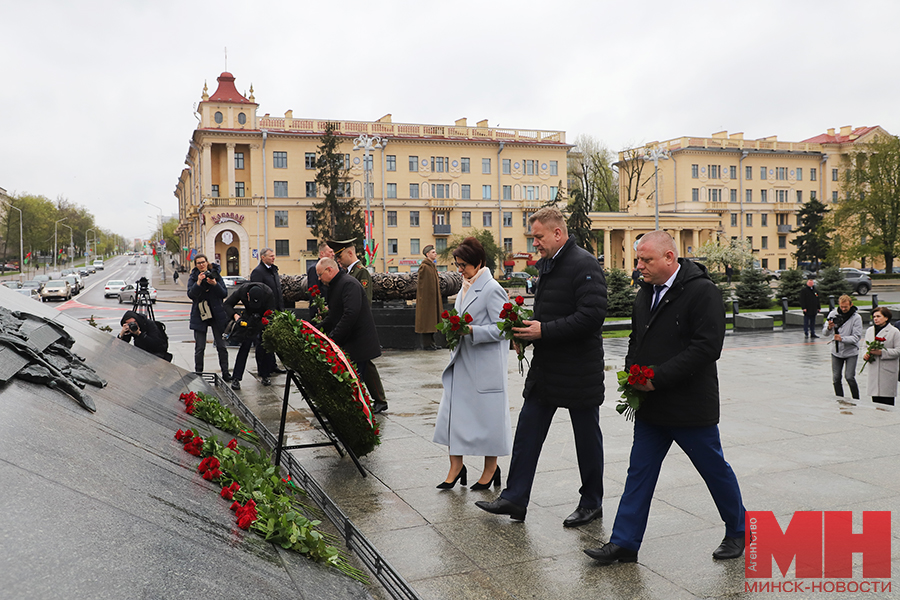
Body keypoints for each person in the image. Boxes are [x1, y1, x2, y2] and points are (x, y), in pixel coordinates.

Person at [584, 230, 746, 566]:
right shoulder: (646, 292)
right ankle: (624, 542)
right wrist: (632, 373)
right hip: (650, 406)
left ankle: (739, 530)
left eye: (646, 260)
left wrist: (658, 379)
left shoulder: (703, 292)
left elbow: (706, 348)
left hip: (689, 406)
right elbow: (636, 338)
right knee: (638, 473)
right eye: (638, 259)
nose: (639, 266)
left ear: (669, 258)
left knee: (714, 470)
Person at [475, 207, 607, 527]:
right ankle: (515, 498)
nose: (534, 243)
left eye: (538, 237)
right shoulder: (548, 264)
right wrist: (527, 334)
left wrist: (542, 331)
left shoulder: (584, 264)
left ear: (557, 234)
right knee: (528, 431)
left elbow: (592, 317)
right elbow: (549, 314)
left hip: (579, 370)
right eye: (534, 237)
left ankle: (592, 503)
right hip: (547, 368)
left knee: (586, 440)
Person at [433, 237, 511, 490]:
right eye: (457, 264)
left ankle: (491, 469)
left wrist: (472, 331)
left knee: (489, 420)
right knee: (452, 415)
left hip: (484, 365)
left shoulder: (492, 288)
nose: (460, 270)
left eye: (464, 265)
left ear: (479, 263)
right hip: (463, 362)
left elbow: (504, 328)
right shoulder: (466, 285)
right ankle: (456, 466)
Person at [328, 238, 388, 413]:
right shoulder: (349, 272)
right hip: (352, 328)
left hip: (359, 328)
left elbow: (364, 302)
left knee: (364, 365)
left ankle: (378, 400)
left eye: (340, 256)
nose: (338, 260)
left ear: (349, 252)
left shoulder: (361, 273)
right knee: (364, 365)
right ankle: (376, 399)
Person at [316, 258, 383, 405]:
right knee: (359, 374)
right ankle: (372, 403)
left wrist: (332, 338)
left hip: (358, 339)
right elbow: (334, 315)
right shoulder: (336, 285)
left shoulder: (348, 284)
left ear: (329, 270)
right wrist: (317, 330)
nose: (319, 279)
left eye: (320, 274)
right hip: (351, 339)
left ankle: (360, 408)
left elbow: (350, 314)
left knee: (355, 377)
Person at [224, 282, 276, 391]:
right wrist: (236, 317)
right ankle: (236, 378)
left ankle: (265, 375)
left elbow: (272, 313)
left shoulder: (268, 293)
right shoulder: (242, 290)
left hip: (263, 317)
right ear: (248, 296)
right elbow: (227, 304)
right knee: (244, 347)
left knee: (264, 347)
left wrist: (264, 323)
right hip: (248, 317)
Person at [186, 254, 230, 379]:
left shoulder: (215, 274)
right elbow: (191, 294)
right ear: (196, 265)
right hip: (200, 314)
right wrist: (199, 283)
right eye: (198, 263)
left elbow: (224, 293)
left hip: (216, 314)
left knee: (221, 346)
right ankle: (198, 373)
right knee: (200, 347)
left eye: (203, 262)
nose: (201, 265)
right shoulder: (194, 277)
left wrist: (214, 283)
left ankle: (225, 372)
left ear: (207, 262)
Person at [251, 248, 284, 378]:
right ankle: (263, 369)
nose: (273, 258)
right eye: (270, 256)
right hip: (264, 313)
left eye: (274, 255)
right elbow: (257, 293)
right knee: (262, 342)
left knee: (273, 340)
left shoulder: (274, 270)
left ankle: (272, 365)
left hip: (276, 311)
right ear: (263, 257)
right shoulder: (258, 272)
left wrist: (281, 309)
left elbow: (278, 291)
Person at [824, 294, 864, 399]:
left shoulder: (856, 318)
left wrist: (842, 338)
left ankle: (856, 398)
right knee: (836, 377)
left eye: (846, 307)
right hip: (836, 351)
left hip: (851, 351)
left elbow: (856, 337)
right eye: (841, 306)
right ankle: (839, 398)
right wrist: (829, 327)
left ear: (851, 305)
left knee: (849, 377)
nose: (843, 309)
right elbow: (825, 333)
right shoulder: (833, 314)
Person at [862, 306, 899, 406]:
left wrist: (882, 353)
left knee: (887, 403)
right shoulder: (870, 330)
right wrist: (865, 354)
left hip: (887, 371)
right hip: (873, 369)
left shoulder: (894, 332)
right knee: (875, 402)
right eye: (874, 316)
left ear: (886, 318)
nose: (875, 319)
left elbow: (898, 351)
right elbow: (865, 346)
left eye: (878, 316)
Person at [416, 245, 443, 350]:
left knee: (432, 321)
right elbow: (423, 285)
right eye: (433, 252)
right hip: (427, 299)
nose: (435, 254)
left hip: (432, 298)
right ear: (427, 254)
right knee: (427, 321)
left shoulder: (431, 266)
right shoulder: (425, 267)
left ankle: (432, 343)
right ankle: (427, 344)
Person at [307, 241, 333, 321]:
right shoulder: (314, 269)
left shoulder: (332, 267)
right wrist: (319, 309)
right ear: (322, 253)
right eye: (330, 252)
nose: (333, 254)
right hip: (320, 313)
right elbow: (313, 291)